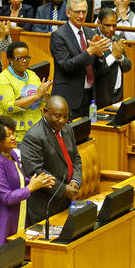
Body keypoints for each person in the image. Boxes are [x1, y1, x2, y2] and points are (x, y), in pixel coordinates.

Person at [0, 116, 55, 256]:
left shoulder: (11, 153)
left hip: (13, 215)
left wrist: (38, 181)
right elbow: (6, 197)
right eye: (8, 135)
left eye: (13, 133)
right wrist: (31, 187)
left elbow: (18, 179)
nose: (13, 137)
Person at [20, 96, 82, 225]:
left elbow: (75, 158)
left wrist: (75, 181)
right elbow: (35, 171)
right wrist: (62, 189)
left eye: (65, 116)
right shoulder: (34, 136)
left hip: (66, 201)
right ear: (45, 112)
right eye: (57, 116)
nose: (62, 121)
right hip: (45, 204)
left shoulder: (67, 129)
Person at [50, 0, 109, 119]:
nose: (81, 16)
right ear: (68, 12)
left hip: (90, 97)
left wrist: (99, 55)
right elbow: (66, 66)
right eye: (77, 12)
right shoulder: (58, 36)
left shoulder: (91, 33)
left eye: (84, 12)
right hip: (69, 99)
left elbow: (101, 69)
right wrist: (89, 52)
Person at [0, 42, 53, 143]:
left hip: (37, 129)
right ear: (10, 59)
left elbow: (43, 102)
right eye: (20, 58)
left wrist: (44, 94)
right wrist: (35, 96)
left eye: (27, 57)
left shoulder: (32, 75)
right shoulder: (3, 79)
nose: (25, 61)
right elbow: (9, 106)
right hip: (16, 134)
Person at [95, 8, 131, 109]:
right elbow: (97, 70)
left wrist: (120, 57)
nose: (111, 29)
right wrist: (113, 56)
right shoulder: (93, 39)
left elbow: (127, 67)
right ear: (99, 23)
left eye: (114, 25)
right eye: (107, 25)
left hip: (118, 94)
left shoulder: (117, 38)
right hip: (100, 96)